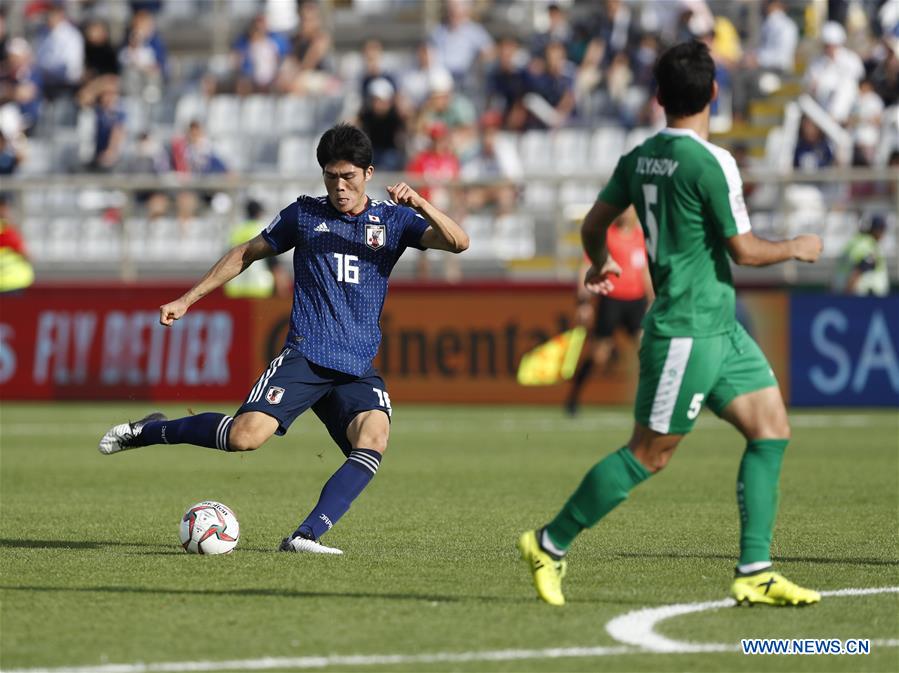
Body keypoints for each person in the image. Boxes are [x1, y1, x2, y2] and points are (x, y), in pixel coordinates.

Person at [517, 41, 823, 607]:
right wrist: (798, 247)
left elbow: (595, 224)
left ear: (658, 97)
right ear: (714, 93)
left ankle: (755, 570)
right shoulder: (712, 162)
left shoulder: (639, 158)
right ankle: (549, 543)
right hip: (686, 329)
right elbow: (746, 250)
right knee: (650, 453)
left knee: (771, 429)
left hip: (720, 328)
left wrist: (599, 261)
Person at [98, 123, 469, 554]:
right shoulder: (305, 215)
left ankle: (304, 536)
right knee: (244, 437)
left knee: (374, 437)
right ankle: (154, 430)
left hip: (355, 367)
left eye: (348, 177)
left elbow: (458, 243)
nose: (339, 187)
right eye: (331, 177)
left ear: (368, 173)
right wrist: (187, 299)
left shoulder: (392, 219)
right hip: (307, 356)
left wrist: (420, 202)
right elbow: (245, 254)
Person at [564, 206, 652, 416]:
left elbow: (645, 272)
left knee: (647, 351)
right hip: (611, 300)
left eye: (630, 208)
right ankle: (573, 398)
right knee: (599, 355)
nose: (626, 212)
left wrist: (652, 300)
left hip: (636, 302)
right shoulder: (606, 236)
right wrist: (584, 302)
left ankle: (651, 404)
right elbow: (586, 265)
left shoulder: (641, 237)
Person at [223, 199, 288, 298]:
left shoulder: (236, 230)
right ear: (258, 213)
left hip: (235, 290)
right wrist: (282, 291)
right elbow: (273, 264)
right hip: (260, 289)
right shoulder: (262, 230)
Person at [832, 214, 890, 296]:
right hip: (864, 296)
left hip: (841, 290)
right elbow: (860, 268)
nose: (883, 234)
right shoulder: (869, 245)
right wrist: (848, 290)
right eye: (882, 230)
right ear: (876, 230)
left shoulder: (854, 242)